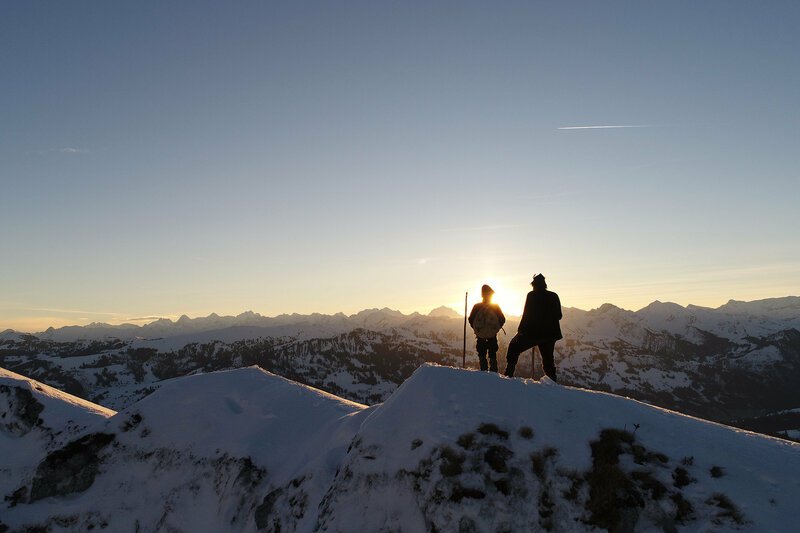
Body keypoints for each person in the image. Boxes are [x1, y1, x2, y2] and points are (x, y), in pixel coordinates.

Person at [504, 274, 562, 381]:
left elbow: (526, 315)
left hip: (533, 333)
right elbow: (559, 316)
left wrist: (520, 331)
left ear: (533, 284)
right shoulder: (554, 296)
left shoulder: (531, 295)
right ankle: (552, 381)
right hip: (550, 334)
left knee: (514, 347)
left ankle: (508, 374)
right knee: (548, 359)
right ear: (545, 284)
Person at [468, 284, 506, 372]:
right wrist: (495, 329)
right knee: (492, 354)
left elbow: (471, 319)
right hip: (492, 336)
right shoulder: (495, 306)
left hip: (480, 336)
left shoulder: (477, 306)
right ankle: (494, 374)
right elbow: (502, 319)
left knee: (481, 354)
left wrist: (477, 330)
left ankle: (483, 374)